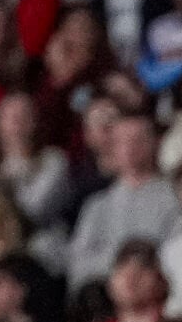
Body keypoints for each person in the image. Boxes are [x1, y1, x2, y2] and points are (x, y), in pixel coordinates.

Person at [66, 117, 178, 292]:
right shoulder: (97, 205)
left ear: (155, 143)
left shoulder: (174, 198)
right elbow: (79, 263)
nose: (130, 148)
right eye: (122, 142)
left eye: (137, 140)